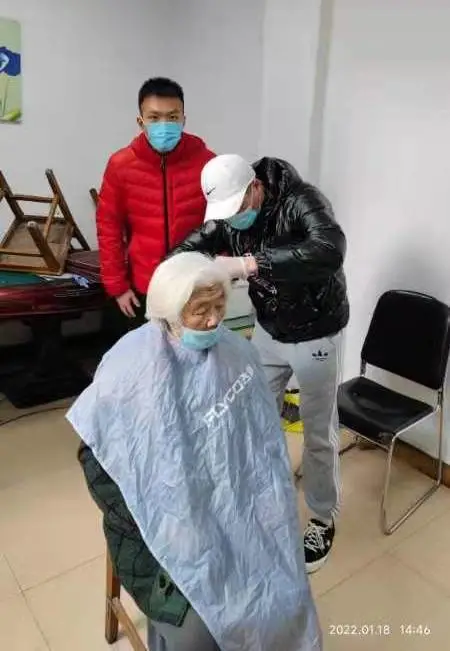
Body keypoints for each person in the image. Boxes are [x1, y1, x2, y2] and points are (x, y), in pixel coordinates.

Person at [67, 252, 322, 651]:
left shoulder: (237, 354)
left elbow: (261, 444)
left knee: (283, 589)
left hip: (240, 504)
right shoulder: (130, 368)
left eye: (219, 306)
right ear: (168, 311)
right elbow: (96, 461)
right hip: (165, 520)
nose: (214, 320)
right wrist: (165, 519)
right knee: (197, 634)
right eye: (200, 311)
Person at [171, 154, 350, 574]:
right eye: (225, 214)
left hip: (316, 332)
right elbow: (190, 247)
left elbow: (329, 250)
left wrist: (250, 263)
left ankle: (322, 518)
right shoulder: (229, 217)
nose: (233, 220)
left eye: (237, 209)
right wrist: (176, 278)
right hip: (269, 330)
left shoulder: (302, 201)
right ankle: (264, 497)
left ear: (255, 187)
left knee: (318, 432)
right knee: (257, 416)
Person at [96, 77, 215, 341]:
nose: (164, 125)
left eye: (172, 117)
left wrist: (218, 278)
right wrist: (118, 287)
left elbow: (222, 224)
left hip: (194, 285)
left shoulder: (207, 163)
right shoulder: (121, 165)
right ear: (141, 122)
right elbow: (108, 228)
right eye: (154, 117)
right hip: (144, 286)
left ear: (184, 119)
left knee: (194, 354)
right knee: (150, 356)